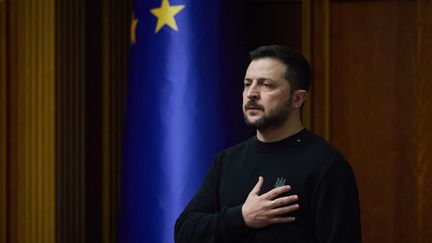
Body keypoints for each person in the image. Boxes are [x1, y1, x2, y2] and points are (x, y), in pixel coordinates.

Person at [174, 45, 361, 242]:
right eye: (247, 84)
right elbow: (185, 232)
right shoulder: (227, 160)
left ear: (297, 99)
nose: (251, 93)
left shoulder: (326, 165)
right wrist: (242, 217)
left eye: (266, 85)